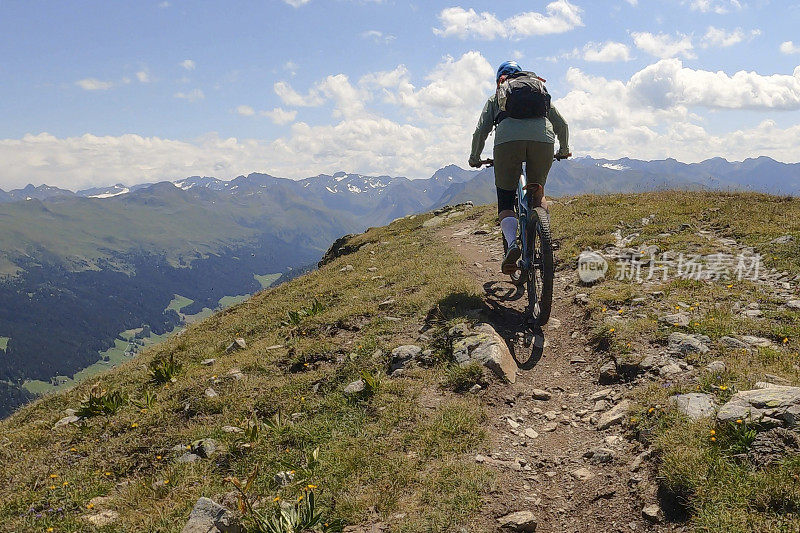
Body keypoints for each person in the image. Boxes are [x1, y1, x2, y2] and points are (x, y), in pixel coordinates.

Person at [468, 60, 570, 275]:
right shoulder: (540, 92)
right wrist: (563, 149)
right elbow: (562, 124)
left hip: (507, 143)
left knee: (506, 198)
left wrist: (475, 158)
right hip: (543, 141)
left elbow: (481, 131)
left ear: (500, 80)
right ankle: (544, 239)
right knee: (537, 189)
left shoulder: (496, 97)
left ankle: (513, 245)